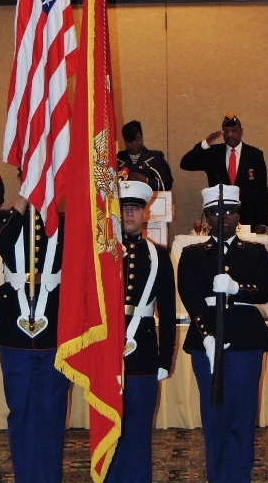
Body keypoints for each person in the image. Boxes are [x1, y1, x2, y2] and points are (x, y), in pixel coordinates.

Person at [177, 184, 268, 483]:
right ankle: (217, 476)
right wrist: (206, 336)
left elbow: (266, 290)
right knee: (214, 415)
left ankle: (239, 476)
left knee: (243, 416)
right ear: (207, 216)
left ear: (238, 214)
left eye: (230, 211)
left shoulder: (257, 252)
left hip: (246, 339)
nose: (224, 217)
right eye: (217, 212)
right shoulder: (193, 254)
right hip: (206, 340)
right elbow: (190, 296)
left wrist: (237, 289)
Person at [0, 190, 69, 483]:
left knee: (52, 412)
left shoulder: (67, 222)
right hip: (14, 330)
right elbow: (0, 240)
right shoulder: (4, 218)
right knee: (21, 412)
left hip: (55, 329)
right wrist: (23, 199)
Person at [105, 180, 176, 483]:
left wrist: (164, 359)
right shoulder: (104, 254)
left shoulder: (159, 256)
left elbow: (169, 314)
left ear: (145, 212)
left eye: (135, 207)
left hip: (143, 351)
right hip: (107, 351)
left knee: (138, 429)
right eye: (124, 207)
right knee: (108, 427)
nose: (130, 213)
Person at [180, 113, 268, 234]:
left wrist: (262, 222)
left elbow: (262, 190)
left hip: (248, 220)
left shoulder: (254, 155)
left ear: (241, 131)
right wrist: (206, 143)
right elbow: (185, 163)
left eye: (234, 130)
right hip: (219, 219)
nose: (230, 134)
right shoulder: (213, 153)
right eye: (226, 131)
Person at [117, 120, 173, 191]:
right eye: (130, 141)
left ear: (142, 137)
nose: (134, 144)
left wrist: (146, 181)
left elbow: (168, 184)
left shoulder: (156, 158)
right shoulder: (117, 160)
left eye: (137, 140)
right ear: (124, 141)